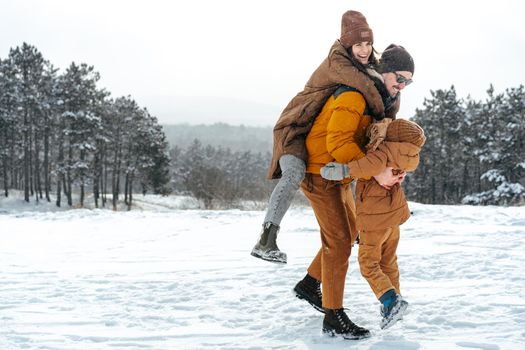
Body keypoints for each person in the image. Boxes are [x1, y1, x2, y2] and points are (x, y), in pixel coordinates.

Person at [251, 10, 399, 264]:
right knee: (295, 174)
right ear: (346, 43)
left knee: (346, 172)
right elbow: (368, 88)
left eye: (368, 43)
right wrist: (384, 110)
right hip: (294, 129)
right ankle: (265, 240)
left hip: (313, 131)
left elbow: (386, 86)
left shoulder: (366, 63)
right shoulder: (338, 61)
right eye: (358, 44)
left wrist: (395, 89)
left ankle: (355, 230)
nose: (364, 50)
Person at [292, 44, 415, 340]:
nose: (402, 85)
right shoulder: (354, 95)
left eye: (408, 81)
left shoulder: (377, 99)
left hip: (337, 174)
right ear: (383, 71)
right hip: (319, 171)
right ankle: (333, 316)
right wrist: (375, 170)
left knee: (349, 233)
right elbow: (337, 144)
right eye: (399, 77)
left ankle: (310, 284)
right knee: (339, 243)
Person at [321, 118, 425, 329]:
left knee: (369, 264)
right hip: (392, 221)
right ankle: (396, 300)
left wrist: (340, 171)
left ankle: (390, 301)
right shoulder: (409, 157)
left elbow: (363, 167)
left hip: (374, 220)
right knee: (388, 262)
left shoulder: (383, 153)